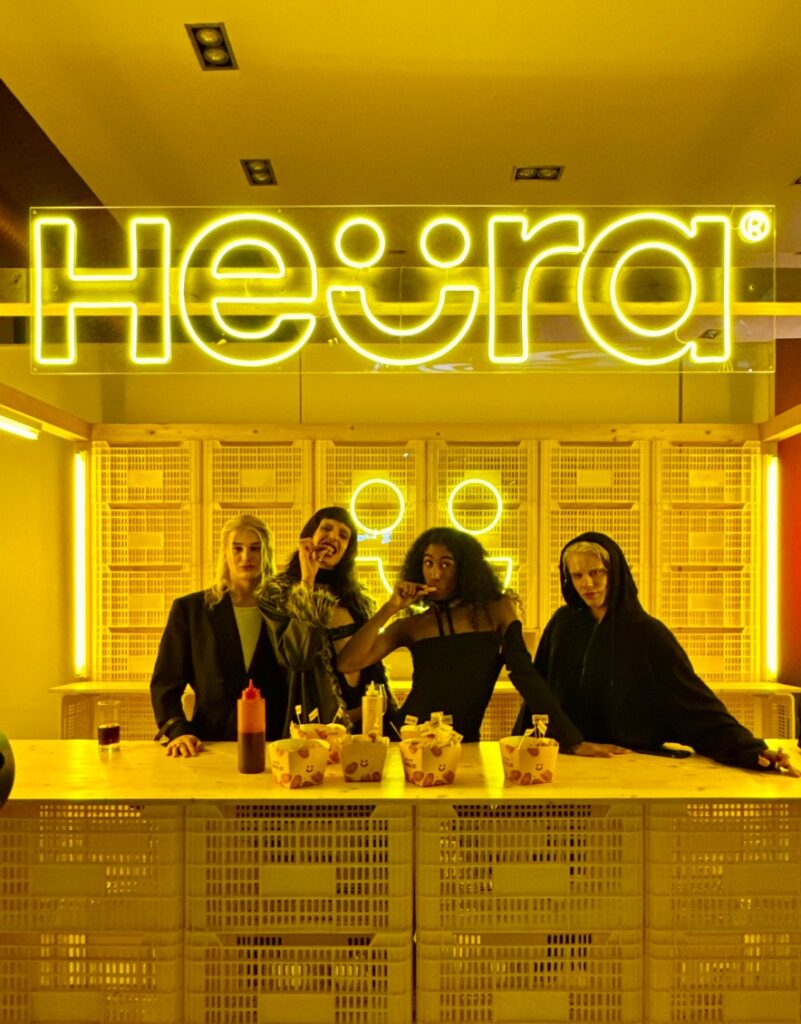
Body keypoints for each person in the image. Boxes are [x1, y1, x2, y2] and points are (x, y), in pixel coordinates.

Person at [513, 531, 798, 774]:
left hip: (628, 765)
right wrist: (569, 742)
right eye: (577, 575)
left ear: (615, 573)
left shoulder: (646, 633)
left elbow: (696, 706)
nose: (587, 583)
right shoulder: (562, 625)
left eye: (596, 572)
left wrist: (750, 751)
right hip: (566, 761)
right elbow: (540, 698)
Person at [337, 525, 624, 755]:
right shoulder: (412, 625)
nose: (435, 574)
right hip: (408, 738)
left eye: (445, 564)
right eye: (428, 563)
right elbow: (348, 663)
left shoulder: (496, 610)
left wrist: (571, 740)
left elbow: (525, 675)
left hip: (465, 744)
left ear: (464, 569)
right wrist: (391, 607)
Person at [150, 514, 322, 757]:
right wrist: (178, 730)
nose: (246, 557)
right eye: (237, 548)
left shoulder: (287, 610)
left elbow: (304, 666)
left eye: (255, 548)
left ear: (266, 553)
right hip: (210, 746)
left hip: (277, 746)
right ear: (225, 552)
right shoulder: (191, 610)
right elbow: (165, 684)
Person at [258, 505, 394, 729]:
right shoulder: (278, 594)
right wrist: (307, 581)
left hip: (367, 721)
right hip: (316, 724)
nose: (333, 537)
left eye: (343, 535)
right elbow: (297, 658)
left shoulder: (357, 600)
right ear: (309, 536)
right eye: (326, 528)